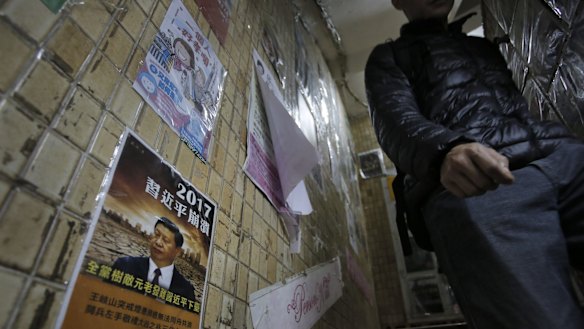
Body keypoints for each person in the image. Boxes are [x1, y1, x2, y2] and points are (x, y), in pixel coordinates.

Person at [364, 0, 584, 328]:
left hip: (560, 157)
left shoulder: (481, 46)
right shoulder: (389, 57)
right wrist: (445, 151)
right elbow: (394, 120)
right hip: (479, 182)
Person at [113, 217, 196, 302]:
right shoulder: (125, 265)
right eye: (156, 234)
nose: (158, 242)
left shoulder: (186, 291)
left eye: (165, 240)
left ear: (177, 251)